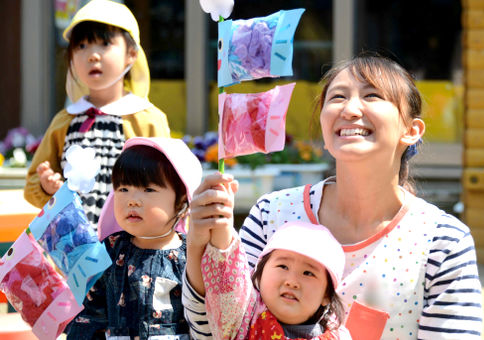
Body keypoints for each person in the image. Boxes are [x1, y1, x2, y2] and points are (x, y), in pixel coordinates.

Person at [182, 54, 483, 339]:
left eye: (372, 96)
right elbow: (218, 329)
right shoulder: (271, 214)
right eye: (337, 97)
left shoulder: (443, 241)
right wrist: (198, 245)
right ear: (325, 129)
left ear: (411, 130)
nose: (350, 110)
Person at [24, 0, 170, 227]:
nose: (92, 55)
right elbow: (33, 182)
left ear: (131, 53)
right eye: (81, 46)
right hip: (74, 250)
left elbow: (171, 186)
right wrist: (47, 186)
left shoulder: (147, 119)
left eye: (104, 43)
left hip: (131, 247)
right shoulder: (65, 120)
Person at [65, 137, 202, 339]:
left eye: (148, 189)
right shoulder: (110, 249)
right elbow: (90, 312)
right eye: (123, 189)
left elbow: (201, 320)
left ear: (181, 201)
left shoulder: (191, 255)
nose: (132, 201)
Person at [190, 207, 352, 339]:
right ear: (259, 275)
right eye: (283, 266)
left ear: (327, 295)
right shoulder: (241, 319)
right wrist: (221, 221)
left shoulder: (337, 336)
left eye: (308, 273)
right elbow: (225, 271)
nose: (292, 281)